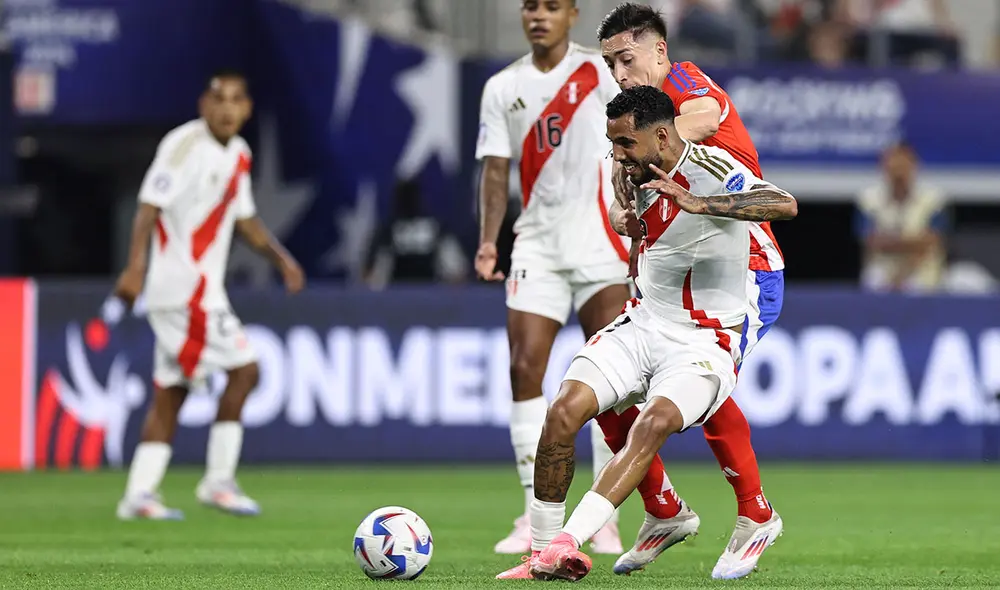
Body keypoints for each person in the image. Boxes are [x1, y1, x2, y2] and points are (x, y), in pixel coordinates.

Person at [526, 85, 798, 583]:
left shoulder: (710, 166)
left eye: (626, 143)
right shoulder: (635, 173)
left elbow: (783, 204)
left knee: (650, 425)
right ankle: (542, 551)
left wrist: (700, 202)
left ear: (661, 134)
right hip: (644, 321)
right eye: (614, 144)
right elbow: (643, 233)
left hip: (704, 337)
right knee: (564, 410)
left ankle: (568, 543)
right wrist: (628, 225)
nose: (618, 155)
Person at [595, 2, 790, 578]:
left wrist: (646, 146)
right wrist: (623, 208)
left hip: (741, 266)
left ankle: (757, 515)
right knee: (607, 386)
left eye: (626, 59)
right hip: (672, 272)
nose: (620, 75)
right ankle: (662, 511)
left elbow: (704, 115)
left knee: (701, 380)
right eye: (609, 65)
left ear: (658, 50)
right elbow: (621, 207)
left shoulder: (684, 84)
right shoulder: (636, 128)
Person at [113, 70, 305, 520]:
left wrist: (282, 259)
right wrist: (135, 266)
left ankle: (139, 494)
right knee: (245, 370)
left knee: (172, 392)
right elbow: (149, 207)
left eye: (236, 99)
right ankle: (218, 482)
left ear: (247, 109)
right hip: (185, 290)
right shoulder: (183, 145)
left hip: (195, 291)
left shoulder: (239, 153)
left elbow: (246, 221)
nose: (226, 108)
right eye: (218, 99)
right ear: (203, 104)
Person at [474, 0, 630, 555]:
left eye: (552, 7)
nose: (539, 15)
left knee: (611, 384)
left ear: (572, 15)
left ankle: (601, 516)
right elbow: (495, 169)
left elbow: (630, 149)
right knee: (523, 370)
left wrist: (636, 223)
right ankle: (531, 512)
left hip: (601, 243)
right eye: (531, 6)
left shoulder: (600, 72)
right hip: (536, 245)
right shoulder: (502, 87)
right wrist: (490, 239)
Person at [855, 141, 948, 293]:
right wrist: (911, 241)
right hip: (883, 271)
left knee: (917, 285)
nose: (898, 176)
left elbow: (929, 242)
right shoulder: (868, 201)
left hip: (921, 271)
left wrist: (892, 242)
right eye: (894, 169)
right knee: (874, 280)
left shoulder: (934, 200)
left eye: (903, 169)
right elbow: (872, 241)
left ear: (913, 168)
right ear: (884, 169)